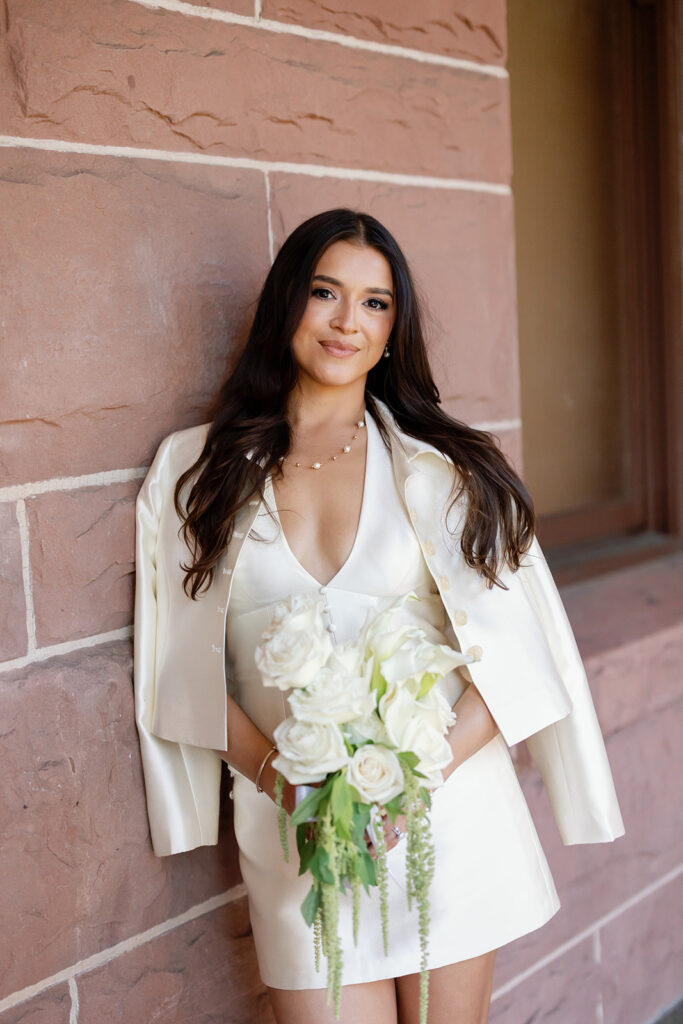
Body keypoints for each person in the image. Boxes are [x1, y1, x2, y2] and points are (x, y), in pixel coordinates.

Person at [133, 208, 624, 1024]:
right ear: (286, 302)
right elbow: (176, 668)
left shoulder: (446, 469)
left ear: (395, 327)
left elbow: (514, 661)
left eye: (374, 303)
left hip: (445, 816)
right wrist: (284, 785)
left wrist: (404, 789)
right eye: (325, 292)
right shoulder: (193, 469)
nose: (345, 322)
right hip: (295, 828)